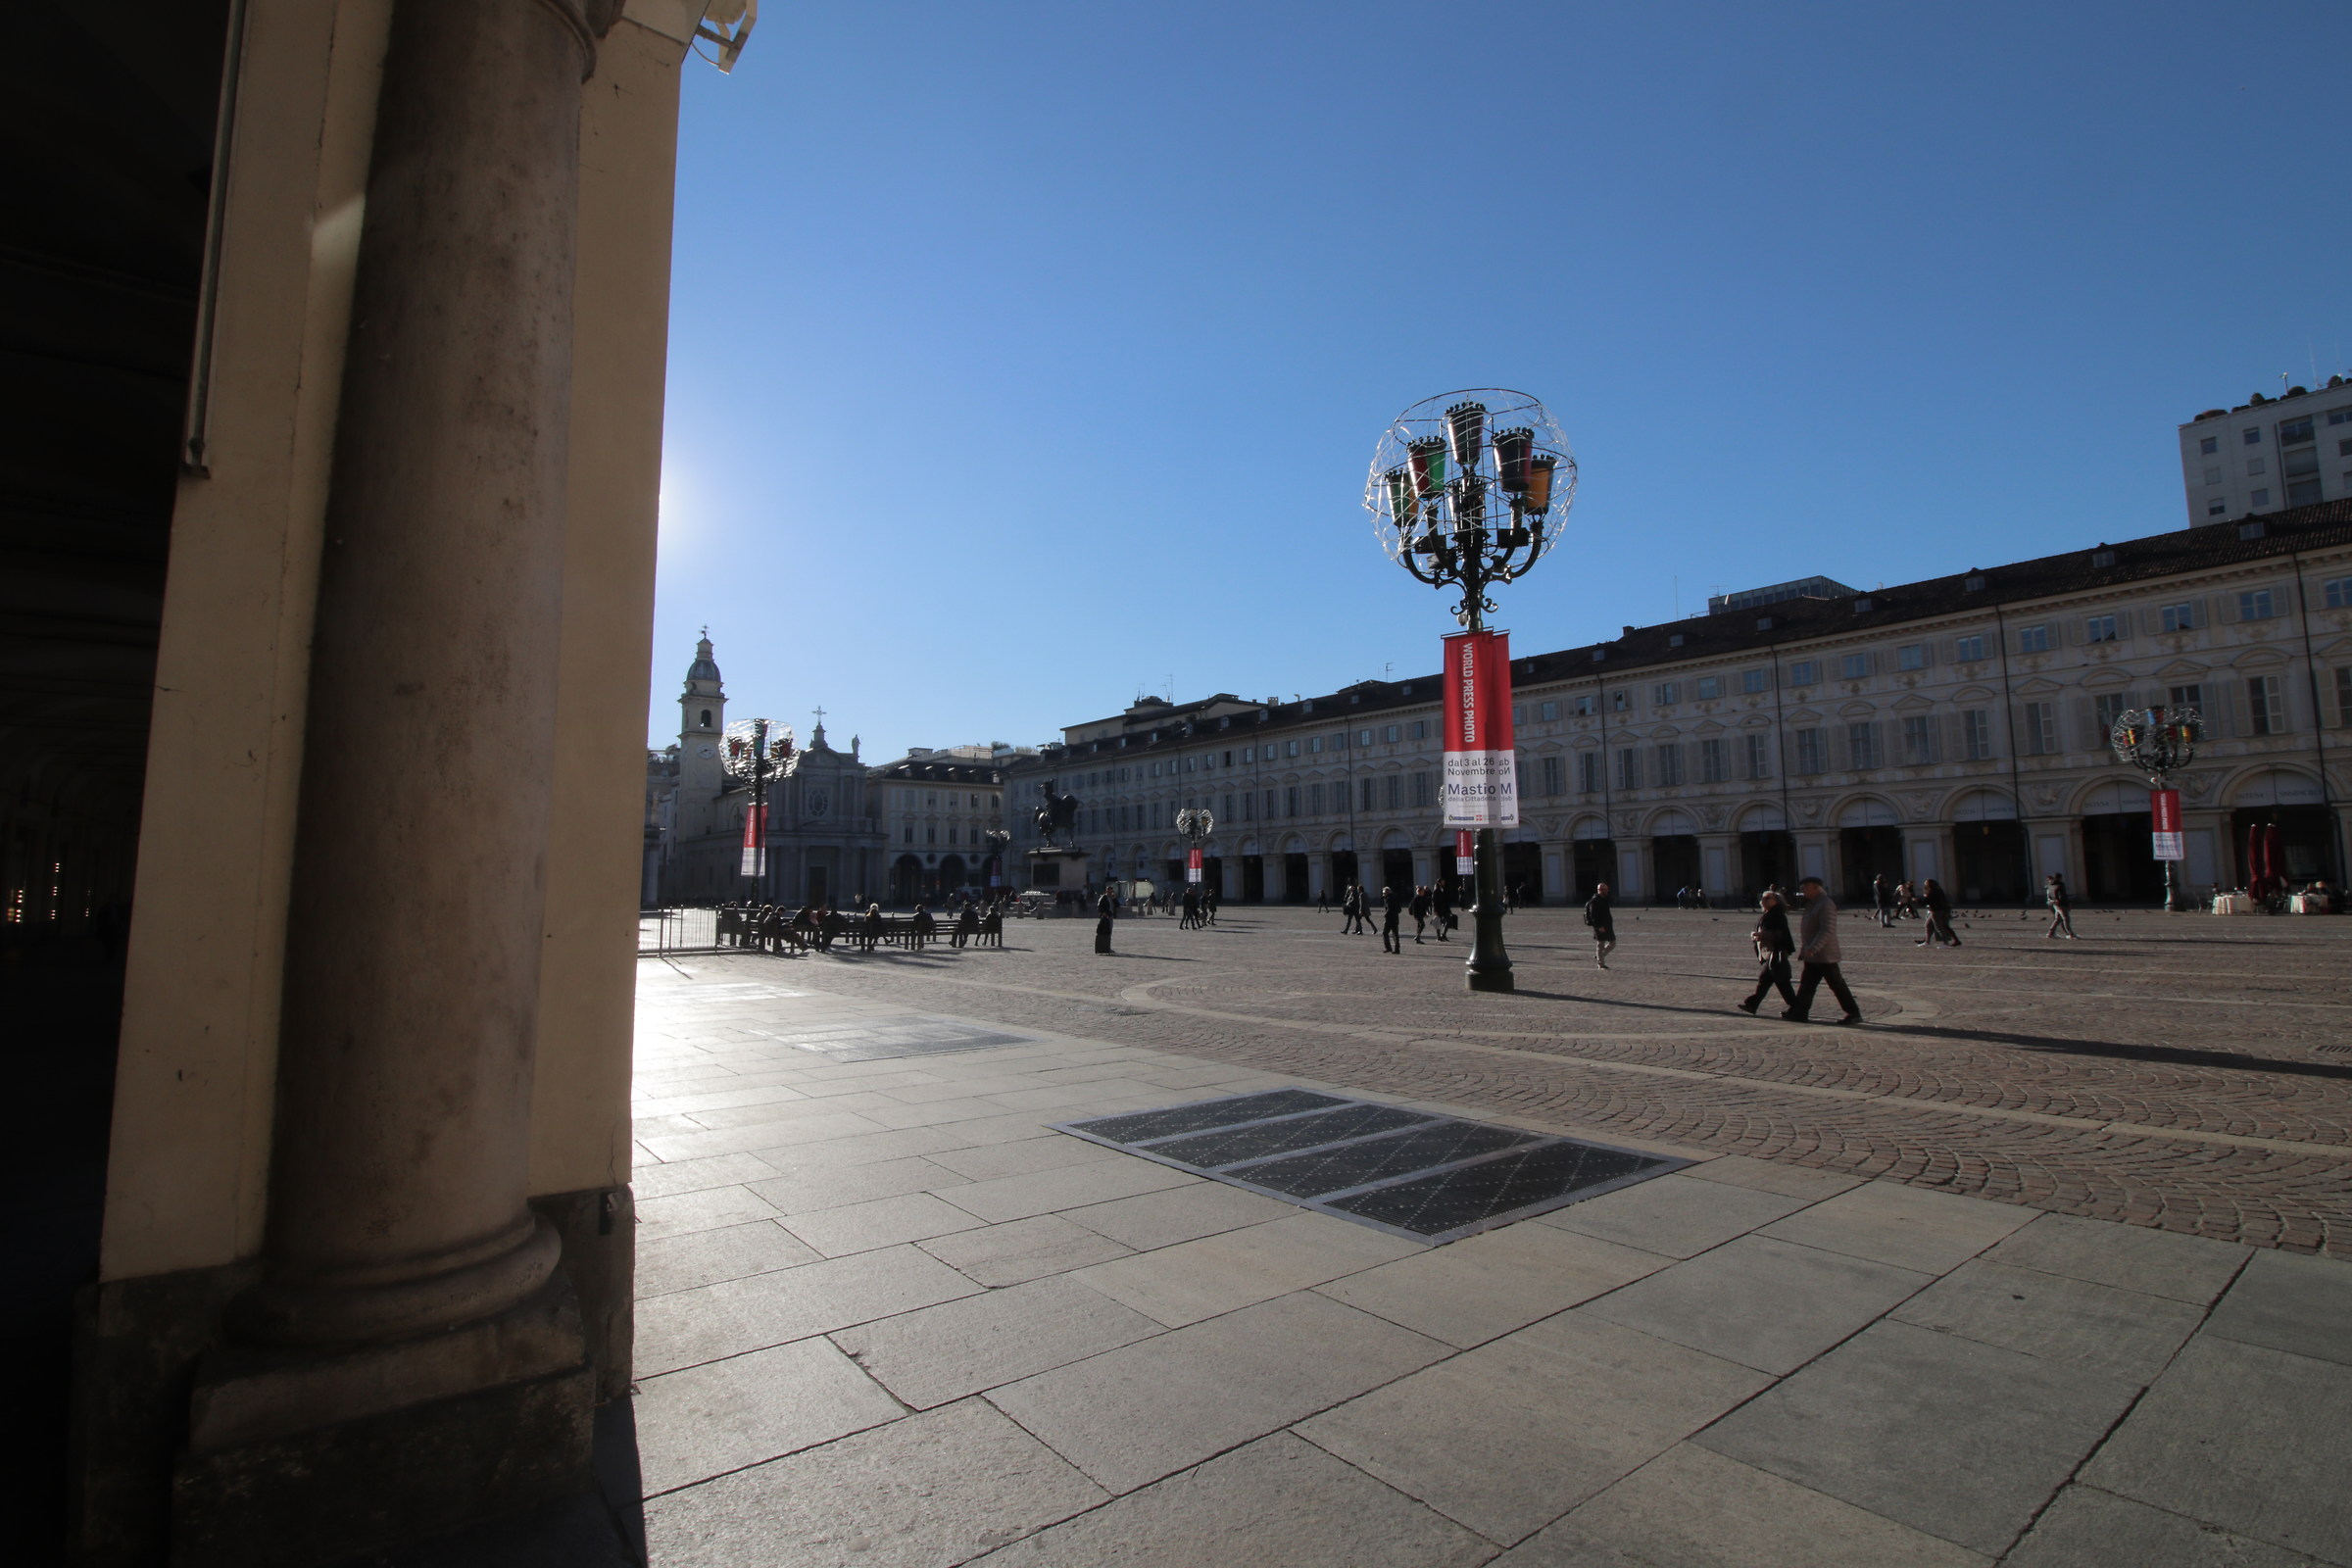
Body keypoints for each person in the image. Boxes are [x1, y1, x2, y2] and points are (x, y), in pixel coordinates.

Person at [1786, 875, 1861, 1024]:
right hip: (1813, 954)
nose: (1802, 892)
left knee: (1837, 985)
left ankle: (1853, 1013)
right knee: (1807, 984)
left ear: (1815, 888)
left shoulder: (1825, 904)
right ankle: (1799, 1013)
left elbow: (1827, 930)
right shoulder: (1813, 904)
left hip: (1825, 955)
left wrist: (1813, 948)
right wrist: (1807, 949)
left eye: (1804, 888)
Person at [1738, 889, 1799, 1014]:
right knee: (1767, 981)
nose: (1763, 900)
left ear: (1775, 901)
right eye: (1762, 898)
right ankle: (1752, 1005)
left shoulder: (1777, 915)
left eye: (1767, 898)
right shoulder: (1769, 913)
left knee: (1780, 982)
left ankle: (1797, 1008)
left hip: (1776, 952)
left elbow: (1781, 934)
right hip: (1770, 952)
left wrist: (1762, 934)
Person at [1917, 878, 1961, 948]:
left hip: (1936, 911)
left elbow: (1924, 902)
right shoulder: (1939, 891)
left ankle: (1945, 943)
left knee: (1939, 927)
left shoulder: (1932, 893)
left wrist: (1918, 899)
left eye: (1925, 884)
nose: (1924, 885)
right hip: (1940, 910)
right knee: (1928, 925)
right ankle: (1927, 942)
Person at [1584, 881, 1616, 968]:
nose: (1607, 891)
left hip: (1607, 925)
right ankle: (1601, 964)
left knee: (1612, 943)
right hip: (1600, 926)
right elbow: (1593, 916)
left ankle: (1599, 957)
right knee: (1600, 944)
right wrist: (1599, 926)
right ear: (1600, 890)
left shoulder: (1604, 899)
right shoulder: (1595, 901)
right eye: (1605, 890)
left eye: (1607, 889)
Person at [2044, 873, 2078, 939]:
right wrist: (2067, 903)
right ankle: (2071, 934)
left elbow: (2050, 895)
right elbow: (2063, 895)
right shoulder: (2060, 885)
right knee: (2066, 919)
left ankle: (2050, 933)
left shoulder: (2050, 885)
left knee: (2058, 919)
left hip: (2054, 903)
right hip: (2061, 904)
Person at [1380, 884, 1404, 954]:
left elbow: (1389, 909)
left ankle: (1388, 947)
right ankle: (1397, 949)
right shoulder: (1395, 898)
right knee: (1395, 934)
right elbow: (1399, 909)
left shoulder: (1388, 899)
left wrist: (1385, 915)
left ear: (1387, 893)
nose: (1383, 895)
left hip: (1389, 919)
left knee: (1385, 933)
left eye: (1384, 893)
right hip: (1395, 918)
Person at [1094, 885, 1116, 954]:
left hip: (1110, 916)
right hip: (1105, 917)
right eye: (1109, 892)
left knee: (1110, 932)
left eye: (1112, 892)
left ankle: (1108, 946)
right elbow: (1099, 907)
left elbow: (1117, 905)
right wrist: (1103, 913)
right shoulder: (1103, 898)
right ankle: (1105, 947)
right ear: (1106, 891)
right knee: (1106, 932)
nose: (1110, 893)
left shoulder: (1111, 898)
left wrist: (1114, 898)